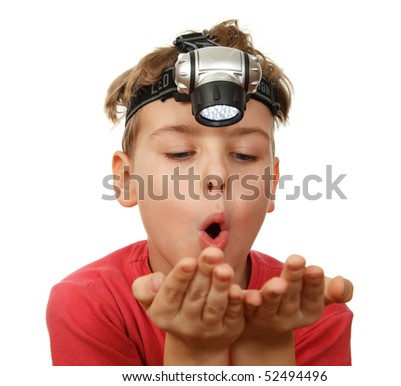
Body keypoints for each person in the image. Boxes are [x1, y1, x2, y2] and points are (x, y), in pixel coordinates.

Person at [46, 20, 353, 366]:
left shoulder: (314, 314)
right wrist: (194, 353)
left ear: (270, 185)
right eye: (180, 153)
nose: (217, 176)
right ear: (128, 180)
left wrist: (269, 352)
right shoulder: (89, 304)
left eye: (245, 155)